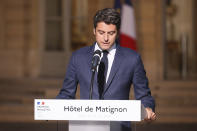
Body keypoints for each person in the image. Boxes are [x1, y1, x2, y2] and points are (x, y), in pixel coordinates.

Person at [56, 8, 156, 131]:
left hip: (119, 126)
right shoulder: (78, 57)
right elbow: (66, 94)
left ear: (117, 33)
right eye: (101, 32)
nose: (106, 38)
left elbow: (144, 94)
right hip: (85, 126)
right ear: (94, 31)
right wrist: (50, 109)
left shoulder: (132, 58)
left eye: (111, 33)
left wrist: (148, 108)